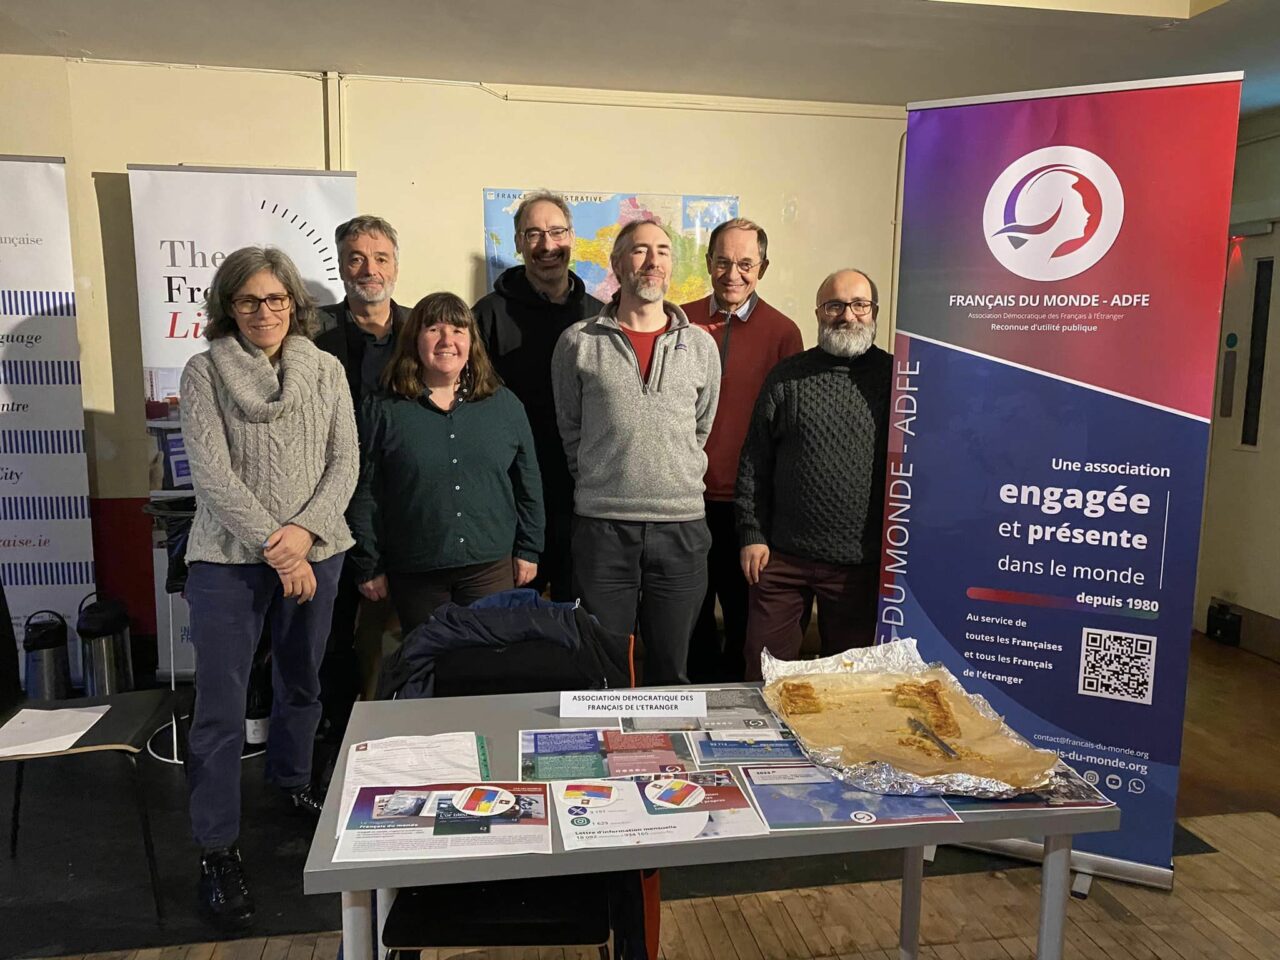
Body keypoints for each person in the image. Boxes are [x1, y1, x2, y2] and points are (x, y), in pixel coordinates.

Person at [180, 246, 358, 924]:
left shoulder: (327, 369)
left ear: (294, 303)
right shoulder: (204, 372)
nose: (264, 311)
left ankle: (292, 782)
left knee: (302, 680)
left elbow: (345, 462)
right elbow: (212, 474)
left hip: (318, 550)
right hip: (228, 560)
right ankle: (216, 847)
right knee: (221, 709)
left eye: (276, 298)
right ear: (229, 306)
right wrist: (279, 549)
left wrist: (305, 534)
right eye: (249, 300)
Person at [552, 220, 721, 685]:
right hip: (603, 530)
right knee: (604, 672)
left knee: (672, 670)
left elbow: (701, 426)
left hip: (682, 530)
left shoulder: (700, 346)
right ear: (617, 263)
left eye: (663, 251)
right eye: (640, 250)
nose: (653, 261)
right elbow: (571, 429)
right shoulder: (578, 342)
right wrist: (607, 476)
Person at [347, 292, 544, 634]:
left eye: (457, 330)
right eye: (433, 329)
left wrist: (529, 548)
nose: (446, 340)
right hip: (416, 572)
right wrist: (368, 563)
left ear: (472, 342)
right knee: (430, 659)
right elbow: (365, 491)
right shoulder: (383, 409)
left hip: (490, 568)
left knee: (489, 658)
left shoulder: (504, 405)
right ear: (414, 339)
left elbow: (528, 482)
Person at [735, 268, 891, 681]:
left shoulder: (897, 379)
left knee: (850, 685)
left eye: (859, 305)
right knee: (763, 674)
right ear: (819, 312)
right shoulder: (788, 377)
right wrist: (752, 534)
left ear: (874, 312)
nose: (848, 315)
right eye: (835, 305)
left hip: (860, 567)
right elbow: (754, 461)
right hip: (782, 559)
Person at [681, 218, 803, 682]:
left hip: (748, 509)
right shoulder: (680, 321)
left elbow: (788, 431)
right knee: (689, 621)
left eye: (746, 264)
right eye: (723, 262)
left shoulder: (784, 333)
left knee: (743, 622)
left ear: (762, 268)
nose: (733, 274)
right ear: (708, 263)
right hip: (685, 502)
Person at [474, 191, 604, 601]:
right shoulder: (486, 316)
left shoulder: (599, 317)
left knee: (576, 618)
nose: (547, 245)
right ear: (517, 242)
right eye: (533, 234)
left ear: (572, 237)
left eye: (557, 232)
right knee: (511, 621)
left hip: (583, 501)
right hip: (512, 501)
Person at [314, 216, 410, 711]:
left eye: (380, 258)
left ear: (395, 265)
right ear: (340, 265)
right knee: (330, 635)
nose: (369, 269)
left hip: (404, 505)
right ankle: (332, 730)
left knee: (410, 632)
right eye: (356, 258)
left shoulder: (422, 329)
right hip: (327, 507)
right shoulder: (310, 331)